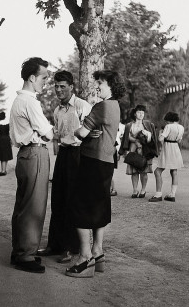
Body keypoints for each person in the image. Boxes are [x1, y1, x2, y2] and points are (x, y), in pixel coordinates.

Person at [65, 69, 126, 278]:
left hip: (92, 161)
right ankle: (98, 251)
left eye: (100, 82)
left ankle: (85, 258)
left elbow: (81, 133)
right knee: (99, 205)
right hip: (107, 162)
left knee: (79, 205)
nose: (97, 86)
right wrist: (92, 130)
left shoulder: (101, 107)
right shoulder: (116, 106)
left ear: (111, 85)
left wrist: (80, 131)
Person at [38, 70, 92, 264]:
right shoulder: (58, 110)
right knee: (58, 199)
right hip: (63, 154)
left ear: (71, 87)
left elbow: (93, 132)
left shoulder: (82, 106)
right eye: (56, 86)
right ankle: (55, 244)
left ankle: (71, 247)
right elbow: (58, 135)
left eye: (63, 86)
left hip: (78, 155)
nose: (59, 90)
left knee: (72, 201)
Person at [10, 57, 54, 274]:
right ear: (32, 77)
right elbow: (47, 133)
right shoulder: (30, 102)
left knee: (23, 204)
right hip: (35, 152)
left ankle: (20, 251)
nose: (45, 82)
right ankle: (26, 255)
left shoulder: (19, 100)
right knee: (34, 206)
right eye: (43, 77)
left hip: (25, 154)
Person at [119, 104, 158, 198]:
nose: (141, 114)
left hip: (145, 151)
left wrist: (147, 135)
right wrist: (122, 151)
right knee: (134, 171)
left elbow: (152, 140)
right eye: (139, 112)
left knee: (144, 171)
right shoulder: (129, 125)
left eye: (142, 112)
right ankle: (135, 190)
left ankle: (143, 190)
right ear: (135, 114)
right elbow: (125, 139)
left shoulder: (149, 124)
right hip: (133, 150)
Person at [149, 112, 184, 203]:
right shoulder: (181, 127)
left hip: (168, 149)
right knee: (174, 171)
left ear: (168, 120)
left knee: (158, 171)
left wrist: (160, 134)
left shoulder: (168, 126)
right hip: (176, 149)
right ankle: (172, 194)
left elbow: (161, 139)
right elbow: (179, 140)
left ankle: (158, 194)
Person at [0, 111, 13, 176]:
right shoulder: (8, 125)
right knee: (6, 156)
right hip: (7, 140)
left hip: (1, 140)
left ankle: (3, 171)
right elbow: (10, 133)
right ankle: (4, 169)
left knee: (2, 156)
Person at [110, 122, 125, 196]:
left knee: (110, 171)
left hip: (113, 150)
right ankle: (111, 188)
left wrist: (119, 153)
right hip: (109, 149)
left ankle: (113, 189)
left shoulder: (120, 126)